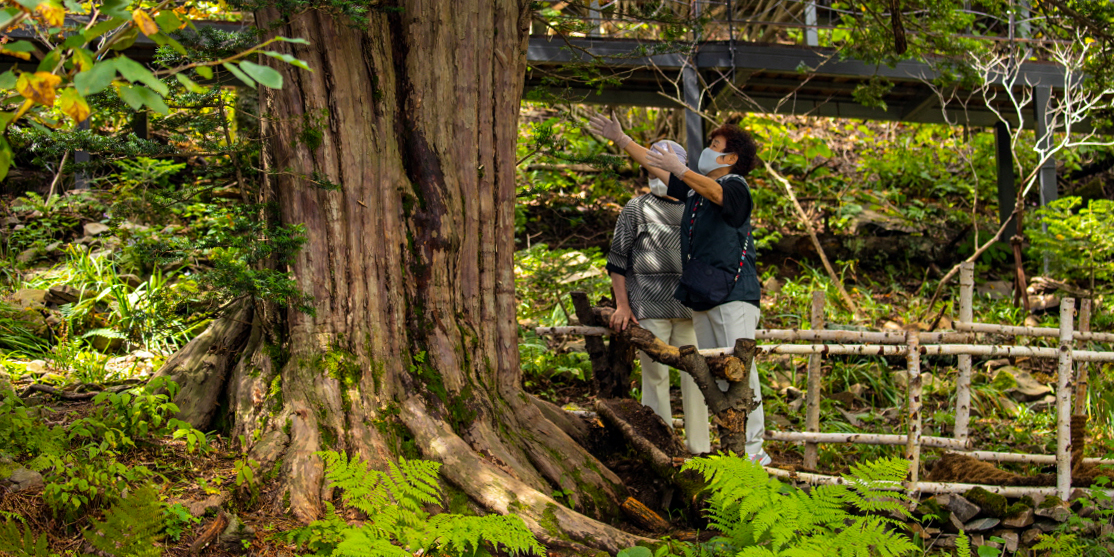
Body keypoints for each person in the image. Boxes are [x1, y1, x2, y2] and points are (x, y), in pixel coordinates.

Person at [589, 113, 769, 466]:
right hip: (702, 298)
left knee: (741, 373)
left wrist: (683, 171)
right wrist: (622, 140)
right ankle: (728, 449)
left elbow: (714, 191)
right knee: (715, 375)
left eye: (715, 146)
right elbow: (660, 168)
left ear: (730, 158)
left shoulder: (735, 187)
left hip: (734, 296)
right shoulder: (695, 193)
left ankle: (753, 453)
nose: (707, 150)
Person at [606, 140, 711, 455]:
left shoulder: (696, 208)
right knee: (655, 378)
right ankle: (662, 448)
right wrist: (622, 305)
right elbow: (617, 262)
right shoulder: (635, 208)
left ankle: (700, 451)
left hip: (689, 309)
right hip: (649, 308)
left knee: (696, 379)